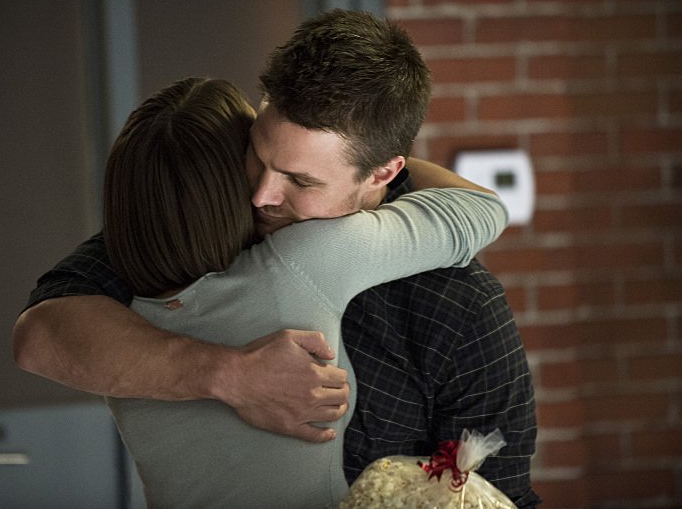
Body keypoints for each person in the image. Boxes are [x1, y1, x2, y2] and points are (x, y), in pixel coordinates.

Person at [14, 9, 540, 506]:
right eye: (257, 155)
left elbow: (499, 496)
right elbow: (40, 334)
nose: (261, 195)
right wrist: (228, 374)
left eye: (300, 179)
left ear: (382, 172)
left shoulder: (458, 304)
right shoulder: (193, 231)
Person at [98, 76, 505, 507]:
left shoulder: (119, 341)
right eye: (255, 158)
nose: (264, 190)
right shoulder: (301, 261)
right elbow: (481, 210)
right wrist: (370, 164)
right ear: (229, 183)